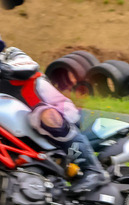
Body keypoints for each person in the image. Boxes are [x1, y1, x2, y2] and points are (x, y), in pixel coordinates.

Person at [0, 44, 108, 194]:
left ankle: (93, 169)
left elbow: (29, 66)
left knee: (43, 115)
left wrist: (3, 68)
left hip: (58, 113)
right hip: (26, 134)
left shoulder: (11, 55)